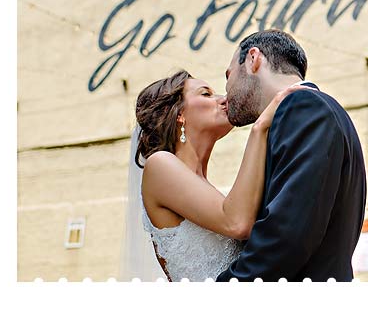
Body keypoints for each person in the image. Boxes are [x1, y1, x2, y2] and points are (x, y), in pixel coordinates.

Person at [120, 70, 303, 281]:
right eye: (206, 94)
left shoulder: (207, 190)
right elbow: (237, 223)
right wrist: (260, 127)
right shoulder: (159, 165)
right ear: (179, 114)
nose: (224, 99)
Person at [216, 29, 367, 282]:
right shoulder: (320, 110)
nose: (226, 92)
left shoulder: (303, 108)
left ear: (253, 59)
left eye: (228, 76)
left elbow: (286, 234)